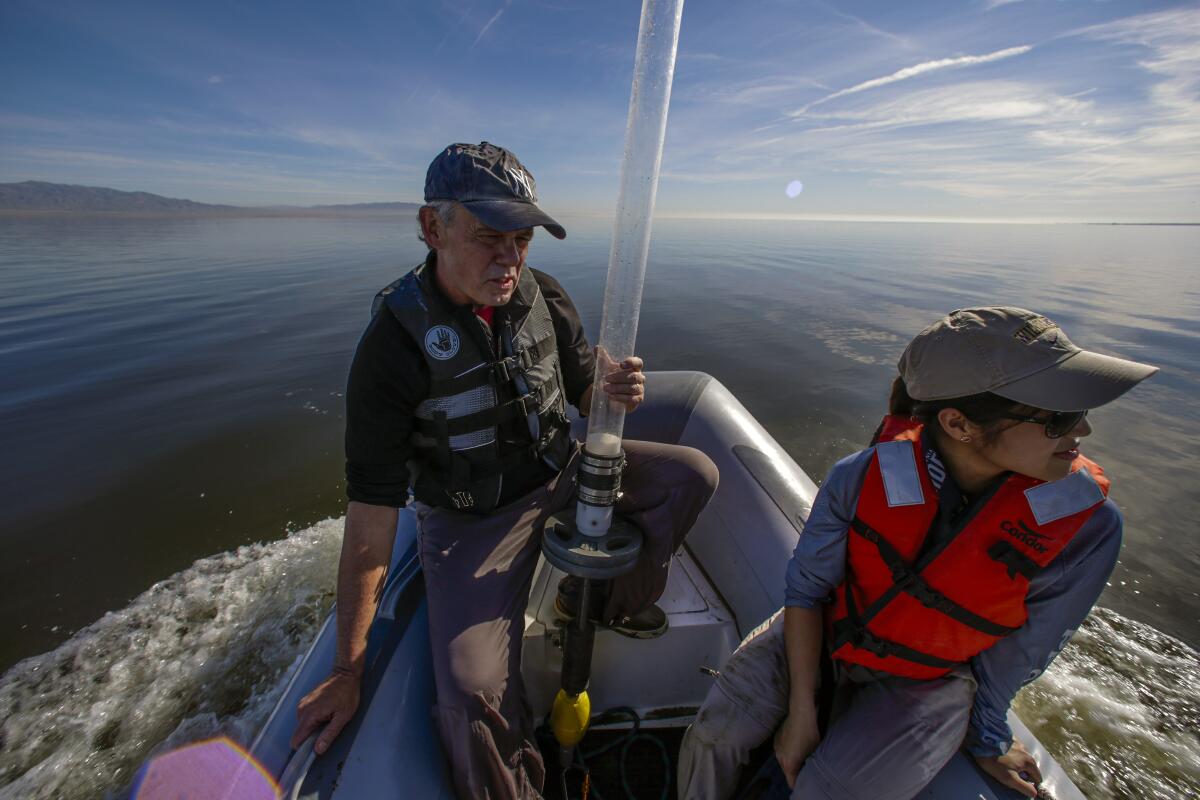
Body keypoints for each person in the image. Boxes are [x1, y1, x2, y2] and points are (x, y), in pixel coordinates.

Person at [290, 142, 718, 800]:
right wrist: (348, 667)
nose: (510, 258)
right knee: (470, 693)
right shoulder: (392, 348)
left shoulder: (544, 295)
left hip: (563, 471)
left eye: (521, 239)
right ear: (433, 228)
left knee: (691, 476)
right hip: (474, 519)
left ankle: (592, 600)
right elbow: (372, 517)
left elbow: (581, 392)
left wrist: (610, 389)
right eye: (491, 235)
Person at [677, 307, 1158, 800]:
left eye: (1079, 413)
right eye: (1058, 418)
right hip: (826, 630)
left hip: (934, 678)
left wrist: (987, 735)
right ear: (959, 424)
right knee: (716, 736)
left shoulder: (1090, 527)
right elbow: (807, 593)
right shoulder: (860, 477)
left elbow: (1024, 651)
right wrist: (802, 710)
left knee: (826, 791)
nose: (1082, 432)